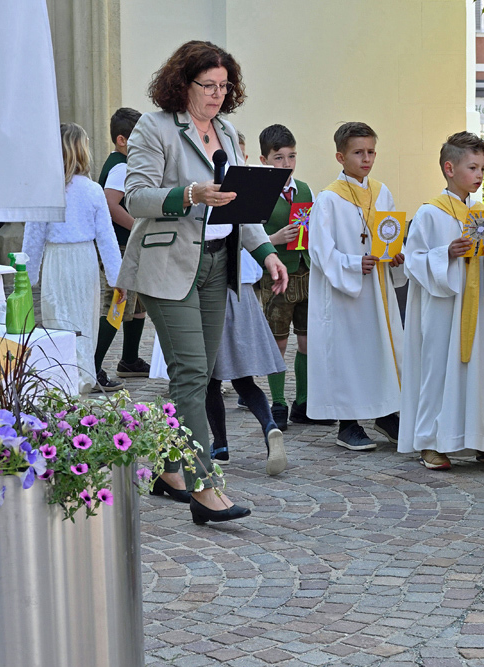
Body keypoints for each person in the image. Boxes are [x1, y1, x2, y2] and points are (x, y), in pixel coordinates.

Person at [120, 40, 288, 525]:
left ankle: (169, 469)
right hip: (167, 265)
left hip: (219, 264)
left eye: (224, 86)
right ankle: (204, 487)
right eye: (208, 85)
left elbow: (240, 205)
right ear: (183, 83)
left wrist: (266, 253)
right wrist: (190, 193)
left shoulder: (228, 131)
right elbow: (136, 197)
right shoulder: (154, 127)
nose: (217, 95)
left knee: (199, 372)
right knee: (193, 372)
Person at [398, 132, 484, 471]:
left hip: (475, 307)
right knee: (437, 371)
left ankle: (482, 440)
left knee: (479, 371)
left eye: (482, 168)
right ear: (449, 168)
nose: (479, 174)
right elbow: (414, 261)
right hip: (442, 308)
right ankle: (430, 442)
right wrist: (447, 253)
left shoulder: (482, 214)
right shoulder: (430, 213)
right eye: (472, 167)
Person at [307, 122, 405, 451]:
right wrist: (351, 263)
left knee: (380, 348)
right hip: (344, 294)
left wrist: (395, 255)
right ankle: (347, 424)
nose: (366, 159)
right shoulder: (328, 199)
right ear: (341, 156)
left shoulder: (381, 192)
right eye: (358, 152)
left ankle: (386, 413)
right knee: (348, 354)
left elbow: (389, 234)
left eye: (371, 152)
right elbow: (319, 250)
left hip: (377, 288)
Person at [23, 123, 123, 395]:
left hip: (57, 261)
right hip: (84, 262)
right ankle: (82, 378)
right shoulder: (92, 190)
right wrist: (117, 278)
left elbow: (34, 237)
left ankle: (63, 380)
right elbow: (107, 238)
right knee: (84, 322)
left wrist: (27, 277)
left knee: (58, 321)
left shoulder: (46, 190)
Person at [256, 124, 334, 430]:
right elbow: (246, 235)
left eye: (291, 156)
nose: (286, 163)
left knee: (307, 339)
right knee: (278, 342)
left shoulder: (304, 189)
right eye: (278, 158)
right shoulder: (260, 192)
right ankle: (278, 403)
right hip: (277, 274)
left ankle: (304, 403)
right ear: (264, 160)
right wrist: (274, 239)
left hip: (305, 272)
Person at [204, 247, 287, 474]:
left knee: (211, 380)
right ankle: (269, 426)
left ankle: (220, 445)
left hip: (213, 293)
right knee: (244, 381)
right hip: (245, 295)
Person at [92, 107, 149, 392]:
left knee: (137, 305)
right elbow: (110, 203)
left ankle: (130, 360)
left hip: (128, 244)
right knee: (117, 304)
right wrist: (137, 227)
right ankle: (93, 366)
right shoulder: (122, 166)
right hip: (121, 244)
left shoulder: (122, 163)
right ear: (122, 140)